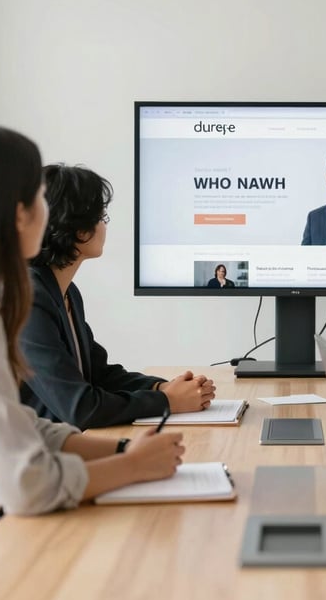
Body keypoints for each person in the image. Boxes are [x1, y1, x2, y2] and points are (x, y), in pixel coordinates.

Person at [0, 126, 185, 600]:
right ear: (19, 215)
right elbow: (25, 484)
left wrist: (121, 449)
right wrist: (132, 466)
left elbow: (21, 428)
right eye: (39, 196)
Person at [19, 164, 216, 430]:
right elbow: (80, 407)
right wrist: (167, 400)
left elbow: (100, 374)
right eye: (102, 217)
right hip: (41, 456)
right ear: (79, 229)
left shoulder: (65, 292)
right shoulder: (29, 299)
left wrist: (163, 386)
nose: (104, 225)